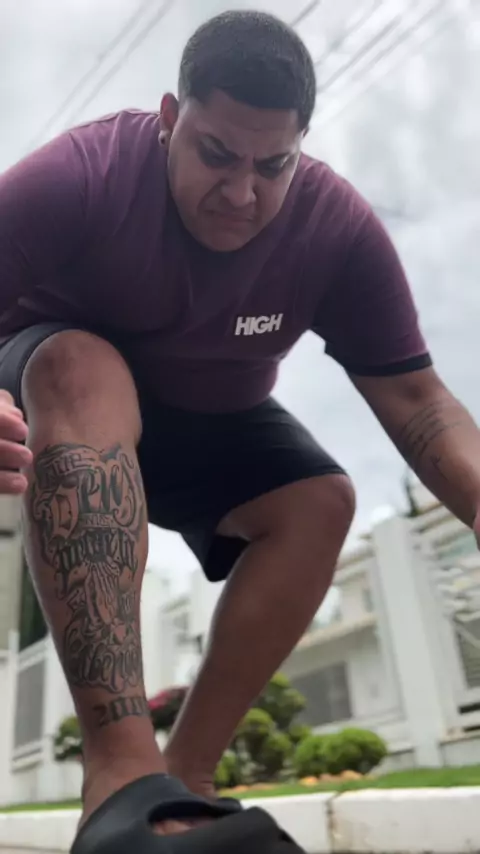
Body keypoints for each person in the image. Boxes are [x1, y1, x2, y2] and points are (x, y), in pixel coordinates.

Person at [1, 8, 480, 848]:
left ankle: (185, 782)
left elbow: (418, 400)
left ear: (300, 147)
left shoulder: (334, 229)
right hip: (65, 387)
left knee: (319, 502)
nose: (241, 193)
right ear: (169, 119)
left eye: (272, 165)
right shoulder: (80, 176)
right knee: (85, 366)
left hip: (205, 415)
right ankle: (120, 780)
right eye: (217, 154)